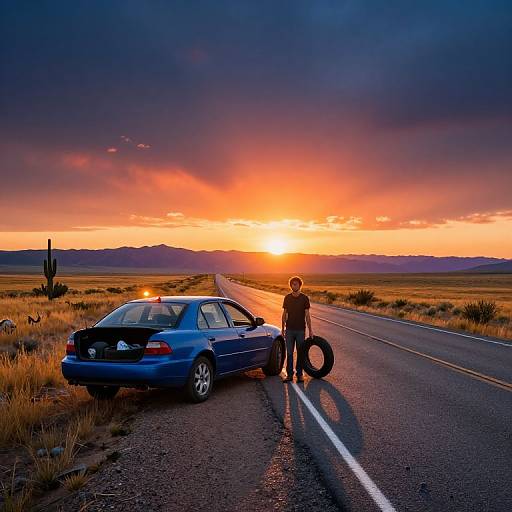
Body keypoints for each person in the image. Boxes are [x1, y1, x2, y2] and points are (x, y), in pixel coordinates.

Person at [281, 275, 314, 383]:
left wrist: (310, 330)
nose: (294, 286)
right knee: (289, 353)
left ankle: (299, 375)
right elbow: (284, 314)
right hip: (289, 330)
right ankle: (289, 375)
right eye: (292, 284)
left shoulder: (304, 298)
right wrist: (282, 329)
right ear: (290, 285)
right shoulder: (287, 298)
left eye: (296, 284)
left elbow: (307, 315)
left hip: (300, 330)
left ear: (300, 285)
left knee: (300, 353)